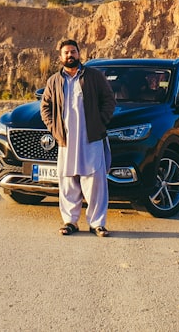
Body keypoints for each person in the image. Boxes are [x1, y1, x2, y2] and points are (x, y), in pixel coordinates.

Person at [40, 39, 117, 237]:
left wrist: (100, 122)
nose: (70, 55)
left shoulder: (93, 76)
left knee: (95, 181)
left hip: (90, 138)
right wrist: (54, 129)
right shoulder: (54, 81)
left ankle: (97, 223)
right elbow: (45, 107)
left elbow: (109, 100)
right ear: (60, 57)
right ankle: (70, 222)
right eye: (66, 52)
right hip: (66, 140)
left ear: (79, 53)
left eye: (73, 51)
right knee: (67, 182)